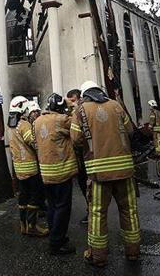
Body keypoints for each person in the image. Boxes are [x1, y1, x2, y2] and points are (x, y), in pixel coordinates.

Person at [70, 81, 140, 268]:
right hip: (125, 171)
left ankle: (98, 256)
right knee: (129, 211)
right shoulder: (116, 105)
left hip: (99, 175)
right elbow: (131, 131)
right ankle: (133, 252)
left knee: (98, 214)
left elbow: (76, 139)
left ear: (84, 95)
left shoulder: (81, 111)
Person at [34, 93, 77, 255]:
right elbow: (77, 126)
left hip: (45, 172)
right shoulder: (61, 120)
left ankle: (55, 236)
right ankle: (57, 243)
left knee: (52, 206)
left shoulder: (37, 121)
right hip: (61, 171)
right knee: (63, 208)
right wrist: (72, 105)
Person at [7, 96, 49, 237]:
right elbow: (33, 141)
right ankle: (32, 226)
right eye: (25, 109)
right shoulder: (23, 124)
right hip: (31, 167)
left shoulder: (11, 125)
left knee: (23, 196)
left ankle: (23, 225)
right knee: (36, 196)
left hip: (19, 167)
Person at [66, 89, 89, 224]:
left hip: (85, 156)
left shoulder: (82, 112)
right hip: (80, 158)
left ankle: (92, 212)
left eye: (74, 101)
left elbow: (76, 138)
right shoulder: (73, 113)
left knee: (88, 186)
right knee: (84, 184)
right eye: (71, 102)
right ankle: (90, 210)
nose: (72, 104)